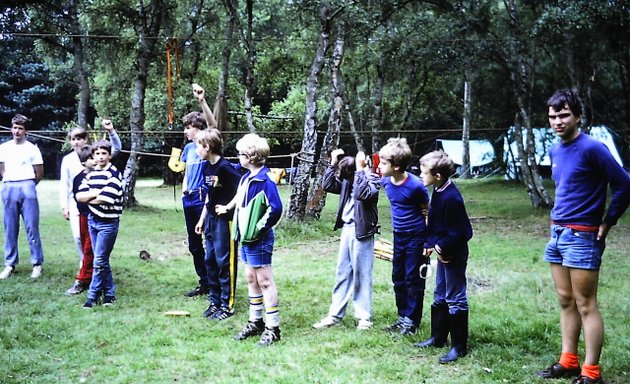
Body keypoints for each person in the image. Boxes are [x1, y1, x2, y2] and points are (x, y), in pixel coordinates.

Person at [535, 89, 630, 384]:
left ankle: (591, 373)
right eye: (553, 116)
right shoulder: (554, 149)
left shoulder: (593, 148)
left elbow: (625, 184)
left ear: (578, 116)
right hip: (558, 232)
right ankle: (569, 361)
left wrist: (609, 221)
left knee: (586, 303)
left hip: (583, 235)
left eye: (564, 115)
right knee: (565, 300)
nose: (558, 121)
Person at [216, 133, 283, 347]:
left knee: (264, 280)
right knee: (251, 279)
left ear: (250, 156)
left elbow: (276, 208)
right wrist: (229, 209)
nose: (237, 158)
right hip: (244, 238)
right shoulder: (246, 177)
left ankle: (273, 327)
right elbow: (240, 199)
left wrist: (259, 228)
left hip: (258, 239)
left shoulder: (265, 180)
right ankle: (256, 322)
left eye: (240, 154)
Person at [312, 148, 380, 331]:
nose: (340, 177)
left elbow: (362, 194)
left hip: (362, 232)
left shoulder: (371, 179)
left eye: (343, 173)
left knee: (362, 275)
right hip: (347, 230)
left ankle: (364, 317)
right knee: (342, 273)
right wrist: (332, 162)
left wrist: (360, 170)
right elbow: (327, 185)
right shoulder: (347, 182)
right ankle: (335, 315)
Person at [416, 150, 473, 364]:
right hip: (442, 253)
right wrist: (430, 244)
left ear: (437, 175)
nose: (421, 175)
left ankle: (459, 347)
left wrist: (442, 248)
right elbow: (437, 224)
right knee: (440, 294)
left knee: (455, 297)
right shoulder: (438, 190)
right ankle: (437, 337)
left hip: (454, 255)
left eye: (424, 172)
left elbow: (463, 232)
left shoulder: (452, 197)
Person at [60, 119, 122, 295]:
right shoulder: (70, 162)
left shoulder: (99, 156)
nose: (77, 141)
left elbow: (115, 148)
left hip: (101, 215)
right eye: (73, 138)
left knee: (94, 251)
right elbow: (70, 189)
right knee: (83, 244)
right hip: (81, 211)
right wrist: (66, 206)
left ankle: (88, 284)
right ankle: (95, 278)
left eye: (80, 137)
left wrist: (111, 131)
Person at [378, 138, 430, 336]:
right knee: (398, 278)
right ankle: (402, 318)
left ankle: (412, 321)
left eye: (384, 163)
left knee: (412, 278)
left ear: (397, 166)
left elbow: (427, 212)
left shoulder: (416, 186)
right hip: (398, 236)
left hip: (416, 237)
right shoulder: (385, 181)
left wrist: (428, 241)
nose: (380, 166)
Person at [193, 129, 241, 320]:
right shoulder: (206, 167)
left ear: (208, 146)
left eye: (198, 145)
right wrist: (202, 219)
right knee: (210, 260)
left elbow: (243, 188)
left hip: (225, 221)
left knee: (224, 262)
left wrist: (228, 207)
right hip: (210, 220)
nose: (196, 149)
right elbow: (209, 197)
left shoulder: (225, 168)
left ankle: (227, 305)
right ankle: (215, 302)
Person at [76, 140, 124, 308]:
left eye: (104, 153)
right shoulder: (90, 174)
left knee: (99, 260)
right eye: (97, 154)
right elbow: (79, 196)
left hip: (108, 223)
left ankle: (92, 296)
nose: (101, 156)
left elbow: (106, 199)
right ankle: (109, 294)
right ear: (93, 156)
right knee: (101, 260)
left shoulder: (114, 174)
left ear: (109, 155)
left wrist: (91, 196)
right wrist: (96, 193)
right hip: (93, 221)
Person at [0, 114, 45, 279]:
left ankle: (37, 263)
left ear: (26, 130)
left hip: (27, 186)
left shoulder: (32, 148)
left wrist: (29, 184)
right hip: (9, 186)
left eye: (20, 128)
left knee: (31, 227)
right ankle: (10, 264)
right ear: (11, 128)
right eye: (14, 127)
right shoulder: (4, 147)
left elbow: (39, 173)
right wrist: (9, 180)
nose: (17, 131)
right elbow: (2, 168)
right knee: (10, 227)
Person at [180, 111, 211, 297]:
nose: (186, 131)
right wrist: (185, 190)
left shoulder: (207, 147)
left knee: (210, 242)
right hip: (189, 199)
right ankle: (204, 282)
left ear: (199, 128)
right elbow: (186, 173)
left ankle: (216, 282)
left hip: (202, 198)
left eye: (188, 127)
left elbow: (214, 125)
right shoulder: (188, 149)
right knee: (194, 244)